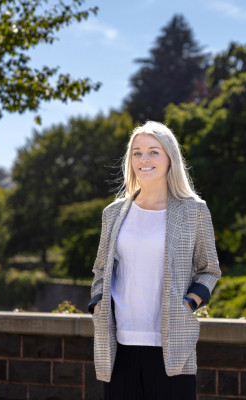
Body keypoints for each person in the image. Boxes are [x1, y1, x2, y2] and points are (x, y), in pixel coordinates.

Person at [88, 121, 221, 400]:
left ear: (170, 157)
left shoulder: (194, 211)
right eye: (136, 153)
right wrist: (99, 303)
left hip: (172, 346)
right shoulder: (113, 214)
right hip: (119, 345)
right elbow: (101, 269)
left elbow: (209, 270)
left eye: (153, 152)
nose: (144, 160)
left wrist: (190, 302)